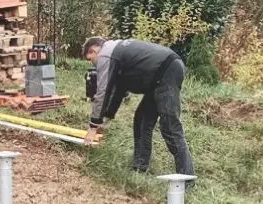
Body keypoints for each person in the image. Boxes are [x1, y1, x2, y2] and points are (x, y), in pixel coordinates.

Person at [83, 36, 195, 176]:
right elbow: (118, 91)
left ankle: (187, 178)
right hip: (157, 78)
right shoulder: (117, 54)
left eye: (90, 59)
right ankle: (140, 168)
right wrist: (104, 121)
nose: (93, 64)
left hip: (167, 71)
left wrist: (93, 126)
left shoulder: (106, 54)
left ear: (94, 50)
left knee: (170, 127)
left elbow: (102, 92)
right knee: (141, 120)